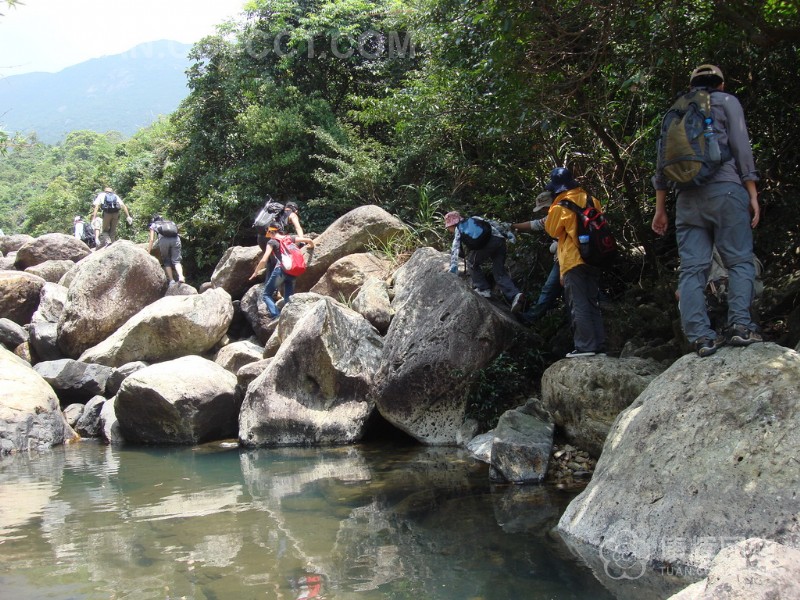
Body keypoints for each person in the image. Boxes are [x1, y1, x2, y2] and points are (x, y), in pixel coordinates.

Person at [652, 64, 761, 357]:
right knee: (738, 262)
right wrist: (752, 192)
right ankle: (740, 326)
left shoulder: (677, 110)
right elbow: (741, 148)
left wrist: (660, 209)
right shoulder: (726, 102)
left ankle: (701, 338)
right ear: (721, 85)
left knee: (692, 271)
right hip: (726, 191)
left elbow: (662, 164)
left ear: (693, 86)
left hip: (686, 200)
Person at [542, 167, 606, 358]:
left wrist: (553, 207)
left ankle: (585, 346)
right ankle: (599, 344)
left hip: (573, 259)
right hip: (594, 257)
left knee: (577, 303)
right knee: (592, 301)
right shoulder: (591, 200)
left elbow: (552, 230)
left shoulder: (561, 206)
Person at [444, 210, 523, 312]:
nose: (448, 229)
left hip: (488, 246)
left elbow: (455, 250)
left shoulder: (458, 230)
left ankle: (483, 289)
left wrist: (453, 269)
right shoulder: (476, 218)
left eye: (448, 227)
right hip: (500, 241)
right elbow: (494, 224)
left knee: (472, 263)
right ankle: (515, 295)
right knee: (499, 272)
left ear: (452, 224)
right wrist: (508, 235)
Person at [511, 191, 564, 323]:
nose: (544, 211)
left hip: (568, 257)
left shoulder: (560, 214)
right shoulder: (556, 214)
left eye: (544, 207)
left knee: (551, 287)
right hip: (568, 256)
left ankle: (531, 318)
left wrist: (557, 248)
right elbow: (535, 224)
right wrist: (511, 226)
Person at [249, 224, 315, 320]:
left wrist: (255, 272)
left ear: (272, 232)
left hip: (281, 271)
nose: (268, 234)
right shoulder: (290, 238)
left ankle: (277, 316)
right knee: (288, 298)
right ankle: (289, 317)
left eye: (268, 232)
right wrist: (311, 246)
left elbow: (264, 260)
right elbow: (309, 240)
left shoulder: (272, 242)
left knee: (266, 295)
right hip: (292, 272)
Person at [147, 214, 185, 284]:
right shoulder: (171, 222)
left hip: (164, 241)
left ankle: (171, 281)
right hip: (176, 239)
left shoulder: (153, 225)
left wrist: (148, 252)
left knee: (166, 261)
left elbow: (151, 240)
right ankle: (181, 276)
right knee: (176, 261)